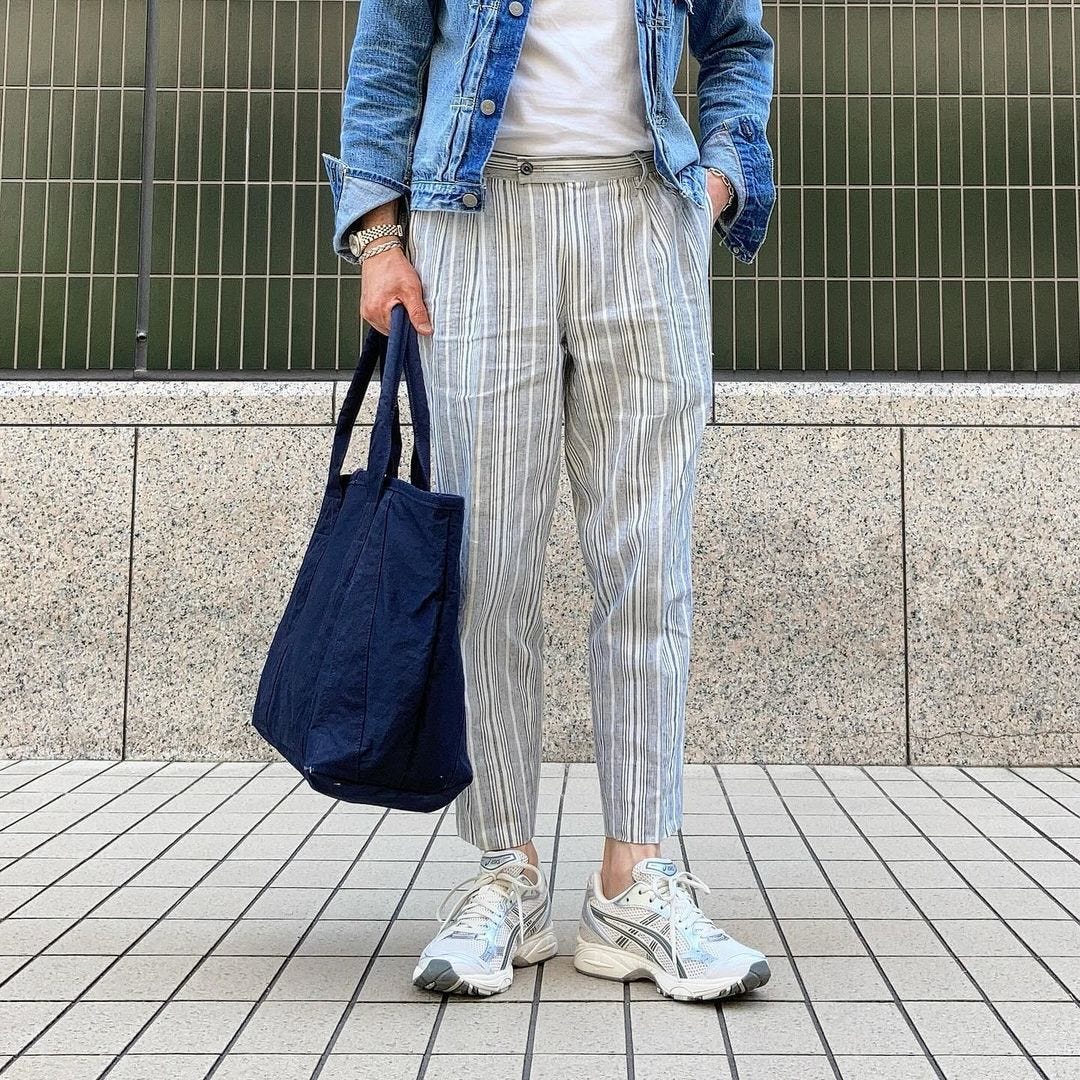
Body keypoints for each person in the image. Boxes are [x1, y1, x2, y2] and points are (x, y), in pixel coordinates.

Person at [322, 0, 777, 1002]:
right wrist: (378, 235)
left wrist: (717, 181)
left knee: (648, 565)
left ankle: (636, 882)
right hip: (472, 225)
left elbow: (737, 44)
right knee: (484, 566)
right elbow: (389, 48)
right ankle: (504, 878)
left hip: (642, 218)